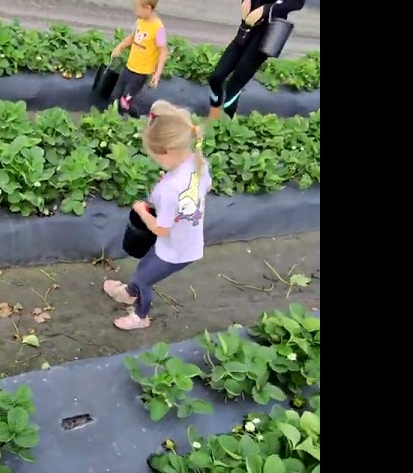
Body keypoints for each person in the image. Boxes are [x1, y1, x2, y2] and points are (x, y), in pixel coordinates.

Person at [104, 101, 211, 331]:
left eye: (154, 155)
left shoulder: (169, 189)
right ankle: (129, 293)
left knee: (145, 278)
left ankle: (140, 316)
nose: (153, 158)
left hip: (176, 249)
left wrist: (141, 210)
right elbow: (206, 189)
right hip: (186, 240)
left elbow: (161, 230)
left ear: (169, 151)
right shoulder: (198, 163)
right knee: (146, 267)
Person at [207, 0, 307, 120]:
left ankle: (224, 125)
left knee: (234, 85)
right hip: (247, 28)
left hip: (267, 34)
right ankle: (213, 115)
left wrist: (266, 9)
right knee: (216, 76)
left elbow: (296, 3)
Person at [109, 0, 168, 115]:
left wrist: (157, 74)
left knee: (125, 102)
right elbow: (132, 37)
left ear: (148, 8)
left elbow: (163, 52)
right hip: (129, 67)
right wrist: (120, 46)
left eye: (137, 9)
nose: (135, 12)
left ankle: (136, 117)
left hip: (140, 74)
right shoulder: (140, 21)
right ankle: (114, 119)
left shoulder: (158, 28)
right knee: (115, 96)